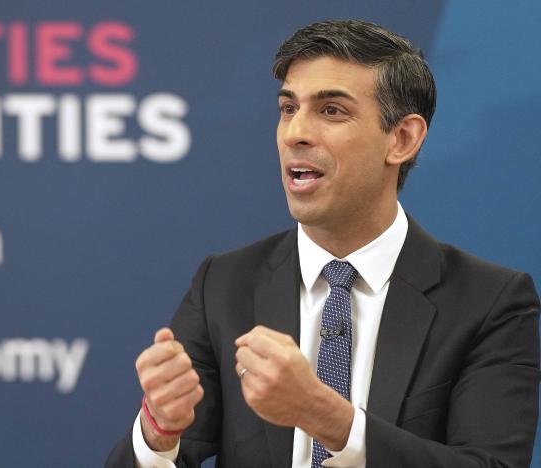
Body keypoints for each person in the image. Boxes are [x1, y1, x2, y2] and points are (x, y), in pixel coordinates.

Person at [106, 19, 540, 468]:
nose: (296, 132)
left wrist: (327, 417)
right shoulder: (224, 285)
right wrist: (158, 435)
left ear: (402, 139)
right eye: (288, 108)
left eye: (331, 110)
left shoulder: (490, 302)